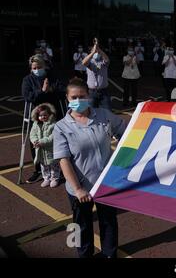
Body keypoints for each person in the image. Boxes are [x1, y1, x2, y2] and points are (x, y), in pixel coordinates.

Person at [53, 78, 127, 258]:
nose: (78, 100)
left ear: (89, 96)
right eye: (74, 97)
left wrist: (122, 161)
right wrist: (78, 189)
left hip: (105, 182)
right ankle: (84, 255)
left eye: (82, 96)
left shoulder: (104, 115)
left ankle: (109, 254)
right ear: (67, 99)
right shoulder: (61, 127)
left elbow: (126, 133)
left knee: (108, 221)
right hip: (80, 188)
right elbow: (64, 160)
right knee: (81, 224)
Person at [22, 54, 66, 183]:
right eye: (34, 67)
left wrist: (50, 89)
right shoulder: (28, 80)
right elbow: (28, 97)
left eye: (39, 66)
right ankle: (38, 170)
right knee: (36, 142)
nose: (37, 69)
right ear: (31, 68)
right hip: (38, 116)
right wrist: (41, 91)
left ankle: (60, 168)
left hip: (54, 114)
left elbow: (63, 91)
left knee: (57, 140)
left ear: (44, 66)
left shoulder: (52, 77)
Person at [30, 103, 61, 188]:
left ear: (50, 115)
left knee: (54, 164)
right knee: (43, 165)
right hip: (40, 150)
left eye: (45, 115)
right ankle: (46, 178)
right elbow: (32, 134)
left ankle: (55, 178)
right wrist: (35, 141)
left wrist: (41, 141)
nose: (43, 117)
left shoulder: (53, 124)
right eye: (40, 115)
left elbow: (53, 137)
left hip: (51, 149)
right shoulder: (36, 124)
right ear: (37, 116)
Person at [82, 41, 111, 111]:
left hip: (104, 91)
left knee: (107, 112)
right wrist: (93, 52)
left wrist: (99, 50)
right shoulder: (90, 62)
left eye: (97, 51)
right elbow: (84, 62)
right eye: (94, 51)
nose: (96, 53)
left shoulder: (103, 62)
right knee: (91, 112)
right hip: (92, 92)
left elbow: (107, 60)